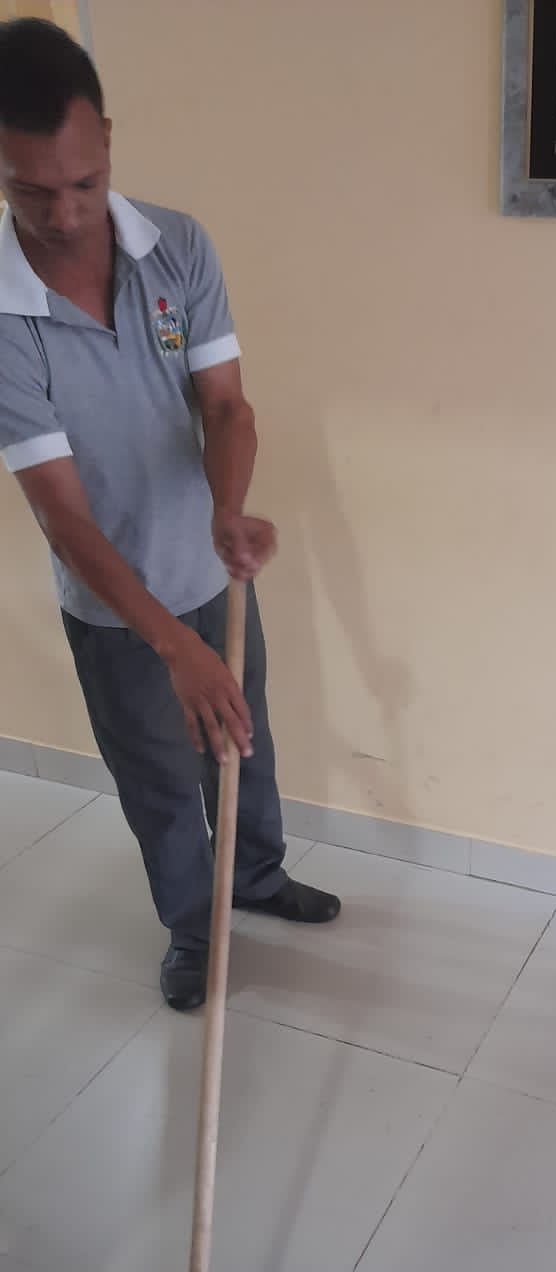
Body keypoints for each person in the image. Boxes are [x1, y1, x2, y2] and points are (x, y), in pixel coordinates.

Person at [0, 19, 340, 1012]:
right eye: (31, 190)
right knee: (158, 778)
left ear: (107, 138)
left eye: (84, 182)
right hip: (116, 613)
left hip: (210, 572)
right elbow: (65, 520)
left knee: (242, 740)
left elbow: (225, 407)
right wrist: (171, 645)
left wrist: (228, 506)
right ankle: (196, 930)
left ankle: (257, 876)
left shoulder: (177, 246)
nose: (65, 213)